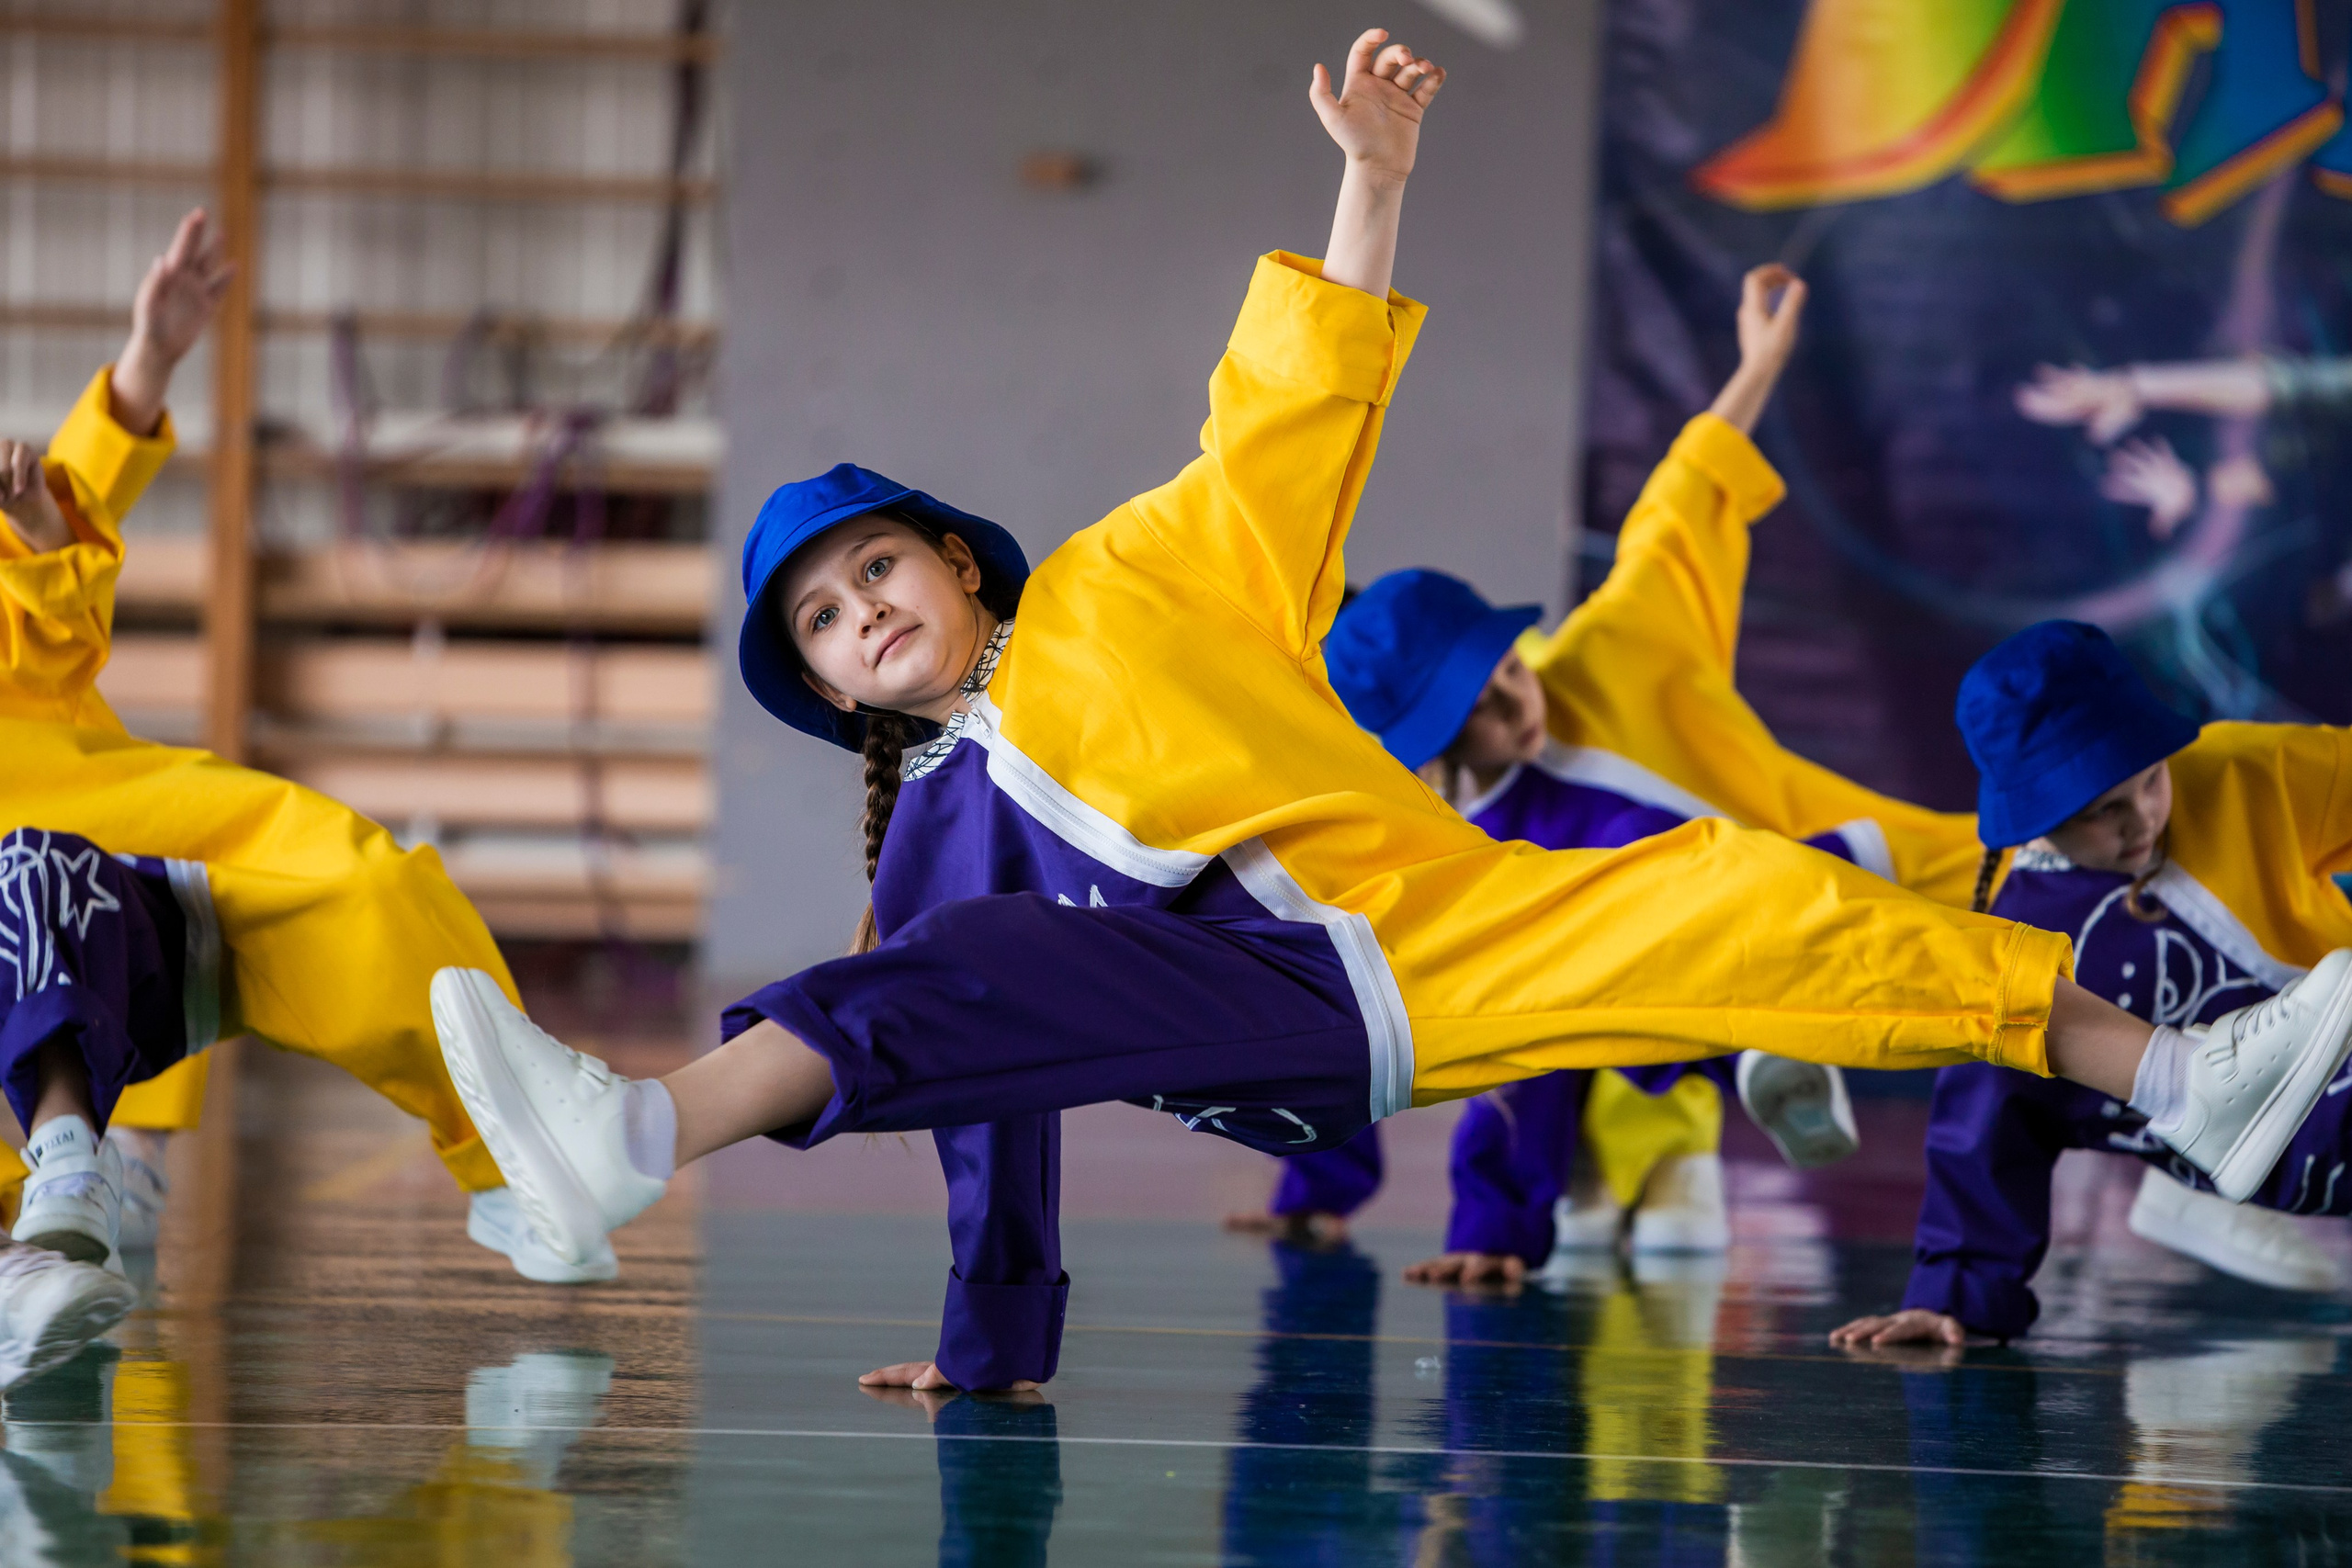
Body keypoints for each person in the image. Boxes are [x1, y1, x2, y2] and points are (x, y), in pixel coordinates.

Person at [434, 30, 2352, 1393]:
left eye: (874, 570)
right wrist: (989, 1343)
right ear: (827, 683)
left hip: (1434, 935)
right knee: (947, 973)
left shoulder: (1133, 574)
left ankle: (2192, 1078)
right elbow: (984, 1111)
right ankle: (633, 1133)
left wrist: (1369, 180)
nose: (861, 614)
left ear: (955, 557)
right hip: (1246, 1010)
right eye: (824, 623)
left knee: (1764, 894)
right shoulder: (933, 837)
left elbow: (1284, 417)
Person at [1232, 265, 1889, 1264]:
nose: (1517, 704)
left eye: (1508, 671)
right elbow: (1405, 1033)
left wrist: (1757, 367)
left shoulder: (1606, 654)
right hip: (1616, 986)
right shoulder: (1434, 848)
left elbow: (1679, 510)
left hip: (1772, 885)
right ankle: (1664, 1120)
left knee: (1696, 957)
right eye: (1477, 710)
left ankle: (1741, 1065)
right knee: (1531, 1022)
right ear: (1427, 748)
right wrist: (1425, 1216)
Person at [0, 211, 598, 1296]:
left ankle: (514, 1157)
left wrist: (147, 362)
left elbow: (60, 510)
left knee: (371, 885)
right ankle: (57, 1214)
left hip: (104, 826)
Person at [1830, 622, 2352, 1349]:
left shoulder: (2237, 774)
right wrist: (1956, 1295)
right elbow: (1984, 1132)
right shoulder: (2020, 950)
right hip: (2270, 1164)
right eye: (2103, 809)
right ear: (2034, 815)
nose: (2142, 820)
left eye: (2151, 779)